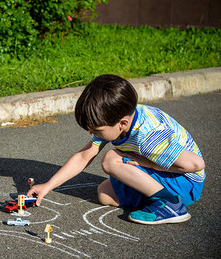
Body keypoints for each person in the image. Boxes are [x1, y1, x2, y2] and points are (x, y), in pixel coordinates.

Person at [27, 74, 205, 225]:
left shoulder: (148, 136)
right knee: (105, 194)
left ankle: (171, 204)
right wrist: (48, 186)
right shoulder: (115, 118)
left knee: (111, 159)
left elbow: (196, 164)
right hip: (168, 176)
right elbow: (84, 156)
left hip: (185, 183)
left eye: (96, 130)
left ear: (122, 123)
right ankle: (156, 197)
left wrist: (149, 164)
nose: (91, 133)